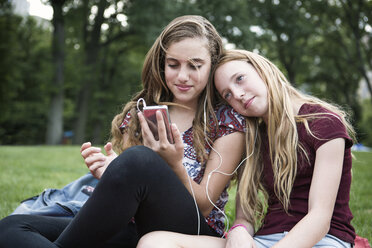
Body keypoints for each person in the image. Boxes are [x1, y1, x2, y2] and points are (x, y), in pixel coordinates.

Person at [0, 16, 246, 247]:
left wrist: (174, 165)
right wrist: (112, 173)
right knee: (12, 228)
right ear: (162, 64)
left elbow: (205, 206)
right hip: (132, 226)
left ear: (212, 65)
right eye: (173, 64)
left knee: (139, 160)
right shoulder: (142, 113)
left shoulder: (227, 121)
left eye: (195, 65)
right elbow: (133, 187)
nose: (182, 76)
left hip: (190, 230)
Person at [136, 49, 357, 248]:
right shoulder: (254, 139)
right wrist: (239, 231)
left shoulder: (323, 122)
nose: (238, 94)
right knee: (154, 241)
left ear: (262, 69)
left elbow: (319, 218)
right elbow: (245, 216)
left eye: (240, 79)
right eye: (228, 94)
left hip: (323, 240)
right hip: (265, 240)